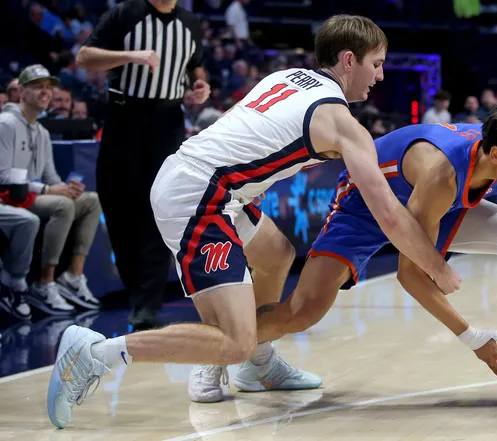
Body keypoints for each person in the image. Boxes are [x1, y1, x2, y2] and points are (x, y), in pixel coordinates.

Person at [48, 14, 463, 429]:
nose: (381, 75)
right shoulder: (341, 122)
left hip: (208, 182)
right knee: (233, 340)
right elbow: (388, 214)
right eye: (377, 63)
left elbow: (249, 132)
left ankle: (258, 366)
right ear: (350, 60)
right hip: (199, 195)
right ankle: (95, 354)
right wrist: (436, 266)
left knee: (277, 253)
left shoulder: (288, 77)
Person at [255, 98, 497, 400]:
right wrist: (473, 337)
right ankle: (227, 348)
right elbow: (411, 274)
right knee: (302, 312)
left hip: (432, 206)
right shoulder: (443, 174)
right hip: (364, 207)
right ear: (496, 154)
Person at [77, 0, 210, 329]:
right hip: (124, 116)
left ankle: (146, 304)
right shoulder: (126, 14)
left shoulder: (190, 23)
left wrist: (199, 84)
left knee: (159, 205)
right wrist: (130, 56)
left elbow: (196, 65)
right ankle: (136, 290)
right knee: (117, 204)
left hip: (167, 120)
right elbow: (84, 58)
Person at [0, 65, 102, 315]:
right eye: (38, 87)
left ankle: (73, 277)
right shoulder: (6, 124)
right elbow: (3, 176)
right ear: (21, 92)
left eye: (48, 87)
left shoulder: (42, 131)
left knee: (90, 201)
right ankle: (45, 283)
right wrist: (50, 189)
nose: (45, 92)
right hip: (11, 197)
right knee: (62, 205)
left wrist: (68, 187)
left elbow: (51, 176)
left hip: (34, 194)